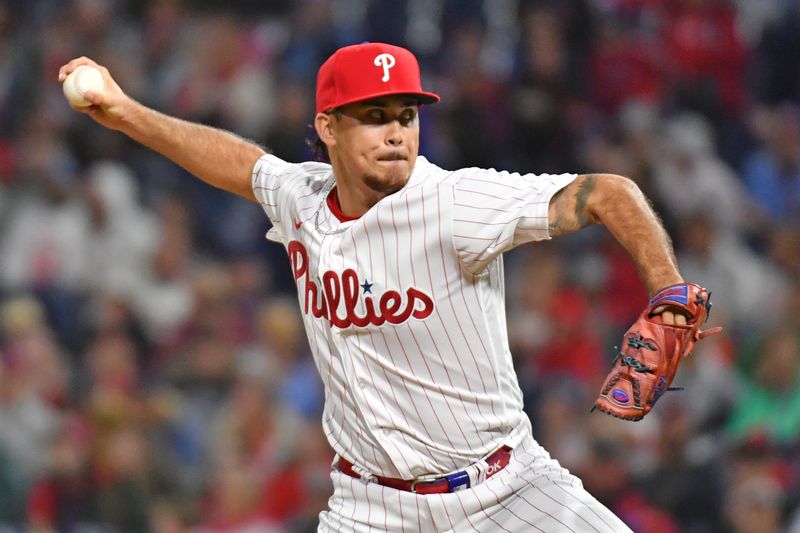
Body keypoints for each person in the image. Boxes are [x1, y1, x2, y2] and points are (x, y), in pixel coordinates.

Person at [60, 42, 697, 532]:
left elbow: (607, 193)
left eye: (406, 115)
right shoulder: (302, 196)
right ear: (329, 128)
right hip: (371, 506)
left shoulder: (456, 201)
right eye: (374, 117)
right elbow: (242, 166)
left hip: (507, 491)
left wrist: (667, 289)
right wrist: (126, 114)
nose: (397, 132)